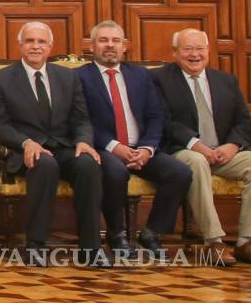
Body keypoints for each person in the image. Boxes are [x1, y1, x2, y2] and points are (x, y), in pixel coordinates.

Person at [0, 21, 102, 265]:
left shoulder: (68, 78)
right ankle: (35, 246)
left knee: (88, 165)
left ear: (50, 47)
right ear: (20, 46)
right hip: (25, 151)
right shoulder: (0, 79)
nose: (35, 47)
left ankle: (90, 249)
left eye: (41, 42)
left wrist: (83, 141)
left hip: (64, 147)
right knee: (44, 163)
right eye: (30, 41)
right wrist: (26, 142)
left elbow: (81, 119)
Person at [76, 21, 191, 255]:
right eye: (103, 40)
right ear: (91, 46)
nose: (110, 45)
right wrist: (114, 146)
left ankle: (152, 233)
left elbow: (156, 115)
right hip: (105, 149)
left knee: (180, 173)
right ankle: (117, 234)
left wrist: (148, 148)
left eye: (115, 41)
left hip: (142, 148)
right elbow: (80, 120)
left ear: (124, 46)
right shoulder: (78, 77)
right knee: (116, 173)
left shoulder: (140, 74)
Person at [152, 28, 251, 265]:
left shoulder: (225, 80)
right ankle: (214, 241)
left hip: (223, 152)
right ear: (175, 53)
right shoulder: (158, 79)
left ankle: (245, 242)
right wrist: (196, 145)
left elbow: (244, 120)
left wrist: (233, 145)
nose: (194, 54)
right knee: (196, 162)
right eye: (187, 49)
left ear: (208, 51)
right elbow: (162, 120)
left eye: (199, 48)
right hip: (182, 150)